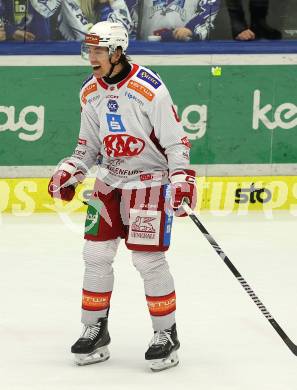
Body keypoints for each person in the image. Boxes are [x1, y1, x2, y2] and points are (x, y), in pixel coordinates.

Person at [48, 20, 197, 371]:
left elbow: (176, 142)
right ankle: (94, 329)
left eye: (98, 50)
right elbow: (87, 147)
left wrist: (182, 179)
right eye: (89, 50)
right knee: (95, 253)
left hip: (149, 182)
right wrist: (73, 169)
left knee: (148, 261)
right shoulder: (89, 92)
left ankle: (166, 334)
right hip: (109, 183)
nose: (92, 57)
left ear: (116, 51)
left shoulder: (150, 90)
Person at [125, 0, 221, 41]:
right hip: (146, 47)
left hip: (187, 50)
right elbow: (128, 9)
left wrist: (191, 29)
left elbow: (210, 7)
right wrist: (132, 41)